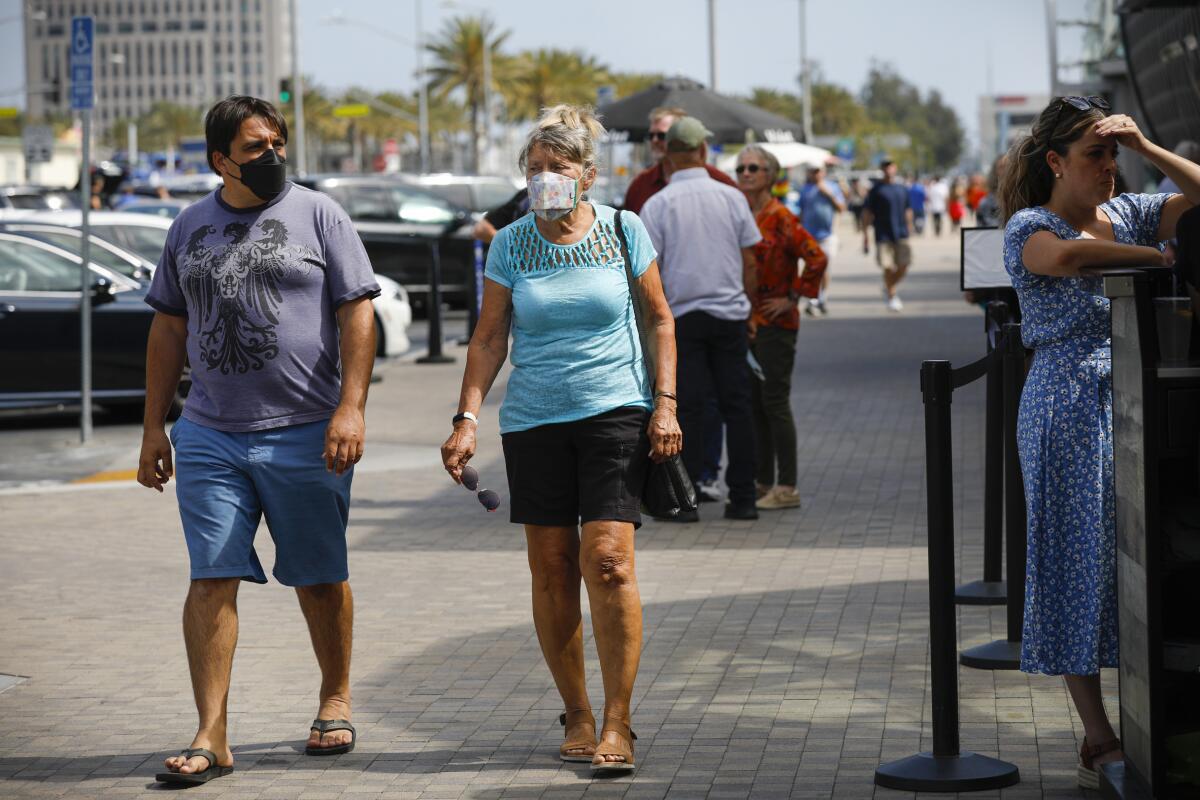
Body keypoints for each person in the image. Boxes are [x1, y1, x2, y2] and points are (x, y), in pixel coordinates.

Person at [138, 96, 381, 785]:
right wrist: (155, 426)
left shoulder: (320, 215)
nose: (272, 155)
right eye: (255, 147)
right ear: (220, 160)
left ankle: (334, 695)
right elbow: (168, 330)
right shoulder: (188, 225)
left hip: (308, 431)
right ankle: (211, 733)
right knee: (211, 576)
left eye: (277, 141)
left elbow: (357, 312)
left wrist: (351, 409)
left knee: (318, 577)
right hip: (211, 433)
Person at [440, 105, 680, 775]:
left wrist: (665, 404)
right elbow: (489, 337)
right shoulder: (511, 242)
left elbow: (660, 320)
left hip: (615, 412)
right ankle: (575, 709)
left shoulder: (623, 229)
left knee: (608, 561)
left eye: (560, 168)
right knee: (551, 569)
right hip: (535, 419)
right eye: (536, 168)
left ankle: (618, 719)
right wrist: (466, 419)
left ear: (588, 176)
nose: (547, 178)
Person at [998, 95, 1196, 788]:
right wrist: (1160, 257)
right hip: (1066, 407)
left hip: (1139, 397)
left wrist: (1149, 146)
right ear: (1055, 161)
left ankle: (1150, 716)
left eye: (1114, 154)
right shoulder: (1030, 224)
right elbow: (1071, 258)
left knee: (1149, 554)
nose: (1109, 168)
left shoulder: (1132, 207)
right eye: (1096, 154)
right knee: (1074, 561)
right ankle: (1099, 734)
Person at [640, 117, 762, 521]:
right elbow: (750, 259)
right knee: (738, 407)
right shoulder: (731, 196)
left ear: (668, 154)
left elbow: (649, 268)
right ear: (704, 151)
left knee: (687, 408)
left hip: (682, 318)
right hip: (730, 314)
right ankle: (743, 498)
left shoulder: (657, 204)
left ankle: (684, 500)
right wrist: (750, 305)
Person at [736, 146, 827, 510]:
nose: (745, 173)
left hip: (777, 324)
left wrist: (794, 296)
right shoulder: (740, 215)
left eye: (753, 168)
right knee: (755, 404)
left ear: (770, 176)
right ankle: (762, 482)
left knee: (774, 401)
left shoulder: (781, 217)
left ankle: (787, 486)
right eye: (741, 167)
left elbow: (817, 257)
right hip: (746, 321)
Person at [622, 105, 736, 214]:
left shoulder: (719, 180)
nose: (655, 140)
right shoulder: (640, 184)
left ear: (680, 138)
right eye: (651, 135)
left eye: (662, 135)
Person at [861, 159, 913, 312]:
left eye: (891, 166)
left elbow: (907, 209)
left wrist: (910, 227)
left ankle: (889, 285)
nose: (888, 169)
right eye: (885, 166)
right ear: (882, 169)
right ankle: (892, 296)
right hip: (883, 233)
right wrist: (865, 235)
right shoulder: (876, 190)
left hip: (901, 233)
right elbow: (867, 213)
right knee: (888, 267)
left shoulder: (902, 188)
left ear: (895, 168)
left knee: (904, 265)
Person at [797, 164, 845, 316]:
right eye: (813, 171)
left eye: (818, 171)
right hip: (809, 235)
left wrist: (828, 194)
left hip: (827, 235)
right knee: (812, 267)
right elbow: (800, 212)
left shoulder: (832, 187)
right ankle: (813, 299)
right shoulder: (805, 189)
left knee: (824, 267)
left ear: (823, 172)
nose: (816, 174)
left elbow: (841, 208)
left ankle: (822, 297)